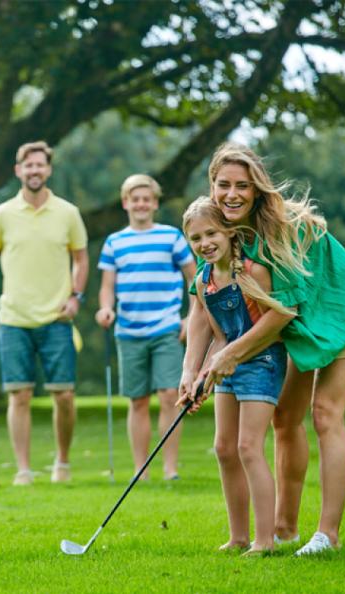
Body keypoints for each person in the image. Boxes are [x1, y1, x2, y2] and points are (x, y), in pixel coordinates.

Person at [179, 142, 345, 556]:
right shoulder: (223, 231)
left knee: (325, 414)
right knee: (284, 419)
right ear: (211, 186)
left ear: (256, 188)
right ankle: (285, 529)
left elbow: (282, 312)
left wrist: (228, 355)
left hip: (343, 310)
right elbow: (203, 303)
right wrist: (192, 370)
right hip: (302, 321)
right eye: (223, 185)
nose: (232, 194)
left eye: (242, 185)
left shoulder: (278, 228)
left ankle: (327, 535)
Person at [0, 141, 89, 486]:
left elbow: (81, 258)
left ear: (48, 170)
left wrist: (76, 296)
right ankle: (23, 469)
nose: (34, 171)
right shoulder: (3, 214)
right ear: (18, 170)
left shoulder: (68, 213)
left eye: (40, 165)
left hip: (57, 318)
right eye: (28, 165)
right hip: (14, 318)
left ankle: (62, 462)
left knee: (63, 395)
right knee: (19, 395)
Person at [181, 196, 293, 555]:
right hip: (228, 363)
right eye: (196, 239)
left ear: (229, 232)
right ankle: (239, 537)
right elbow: (218, 336)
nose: (205, 244)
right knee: (224, 448)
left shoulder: (253, 271)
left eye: (211, 233)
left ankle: (265, 540)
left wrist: (230, 357)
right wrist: (200, 376)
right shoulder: (203, 281)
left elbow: (274, 327)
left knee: (248, 447)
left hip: (262, 363)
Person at [95, 174, 195, 480]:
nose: (141, 204)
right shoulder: (115, 242)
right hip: (128, 330)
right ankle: (141, 469)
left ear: (155, 203)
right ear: (126, 203)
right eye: (135, 199)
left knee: (168, 395)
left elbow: (194, 279)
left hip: (166, 327)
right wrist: (105, 308)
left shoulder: (172, 237)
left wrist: (191, 318)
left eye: (146, 199)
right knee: (137, 400)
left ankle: (170, 468)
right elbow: (107, 286)